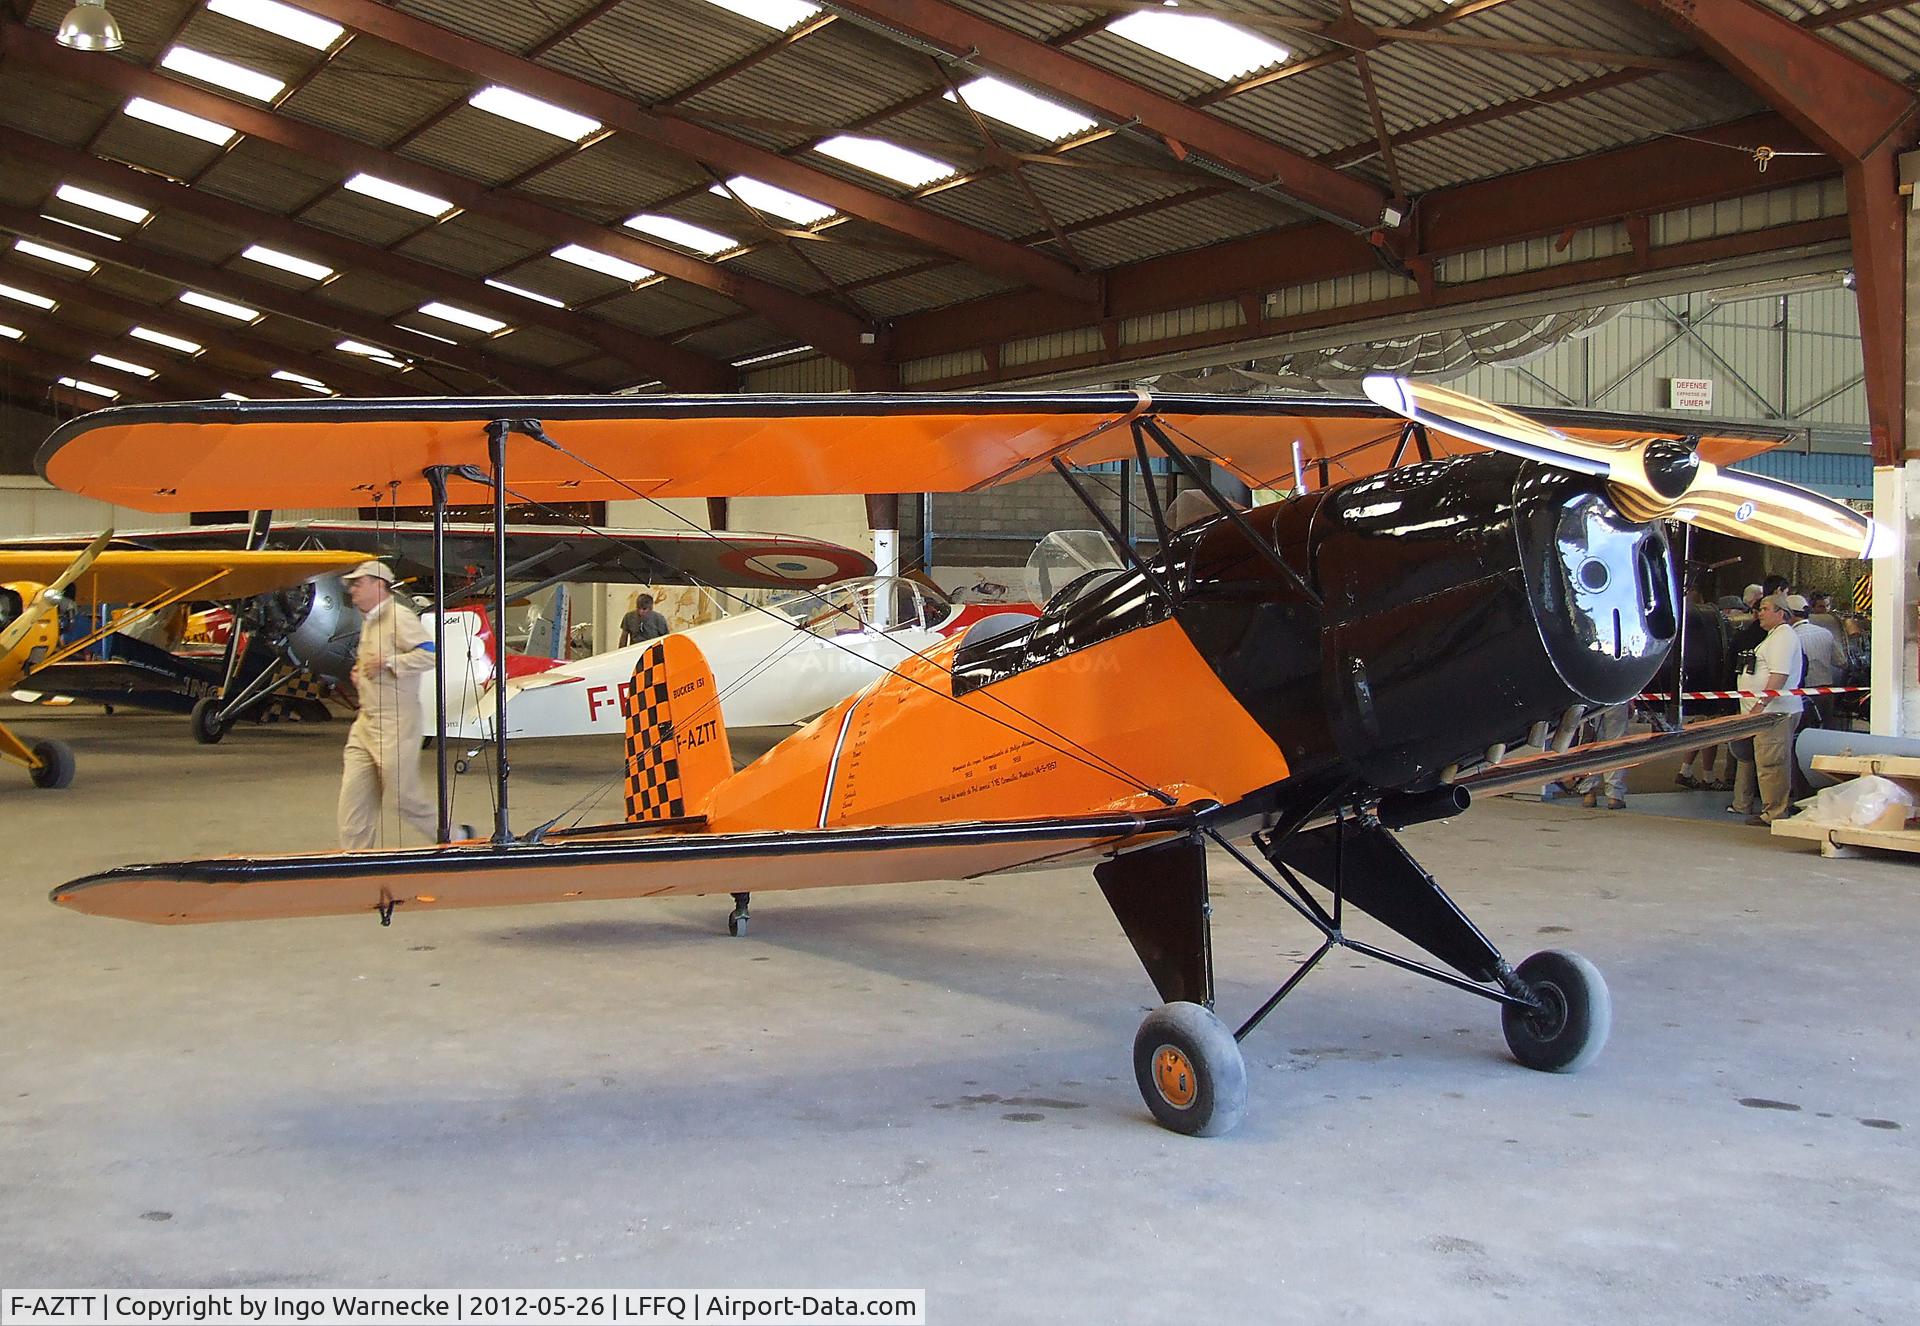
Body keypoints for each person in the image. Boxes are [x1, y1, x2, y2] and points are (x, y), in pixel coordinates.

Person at [338, 560, 445, 849]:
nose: (353, 591)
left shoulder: (399, 617)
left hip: (396, 721)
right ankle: (356, 863)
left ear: (379, 585)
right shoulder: (369, 622)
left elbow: (431, 654)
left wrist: (388, 662)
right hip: (366, 722)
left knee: (402, 798)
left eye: (359, 584)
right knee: (353, 801)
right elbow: (373, 664)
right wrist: (362, 674)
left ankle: (456, 838)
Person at [1731, 593, 1804, 827]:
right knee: (1768, 761)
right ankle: (1773, 808)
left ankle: (1774, 811)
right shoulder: (1774, 637)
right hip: (1771, 711)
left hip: (1774, 712)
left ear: (1781, 613)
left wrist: (1760, 704)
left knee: (1771, 762)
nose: (1759, 613)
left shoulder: (1782, 638)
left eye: (1764, 608)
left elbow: (1778, 675)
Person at [1787, 593, 1844, 729]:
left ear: (1791, 615)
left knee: (1806, 732)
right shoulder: (1825, 633)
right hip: (1827, 691)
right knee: (1827, 730)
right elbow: (1841, 662)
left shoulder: (1791, 637)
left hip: (1806, 693)